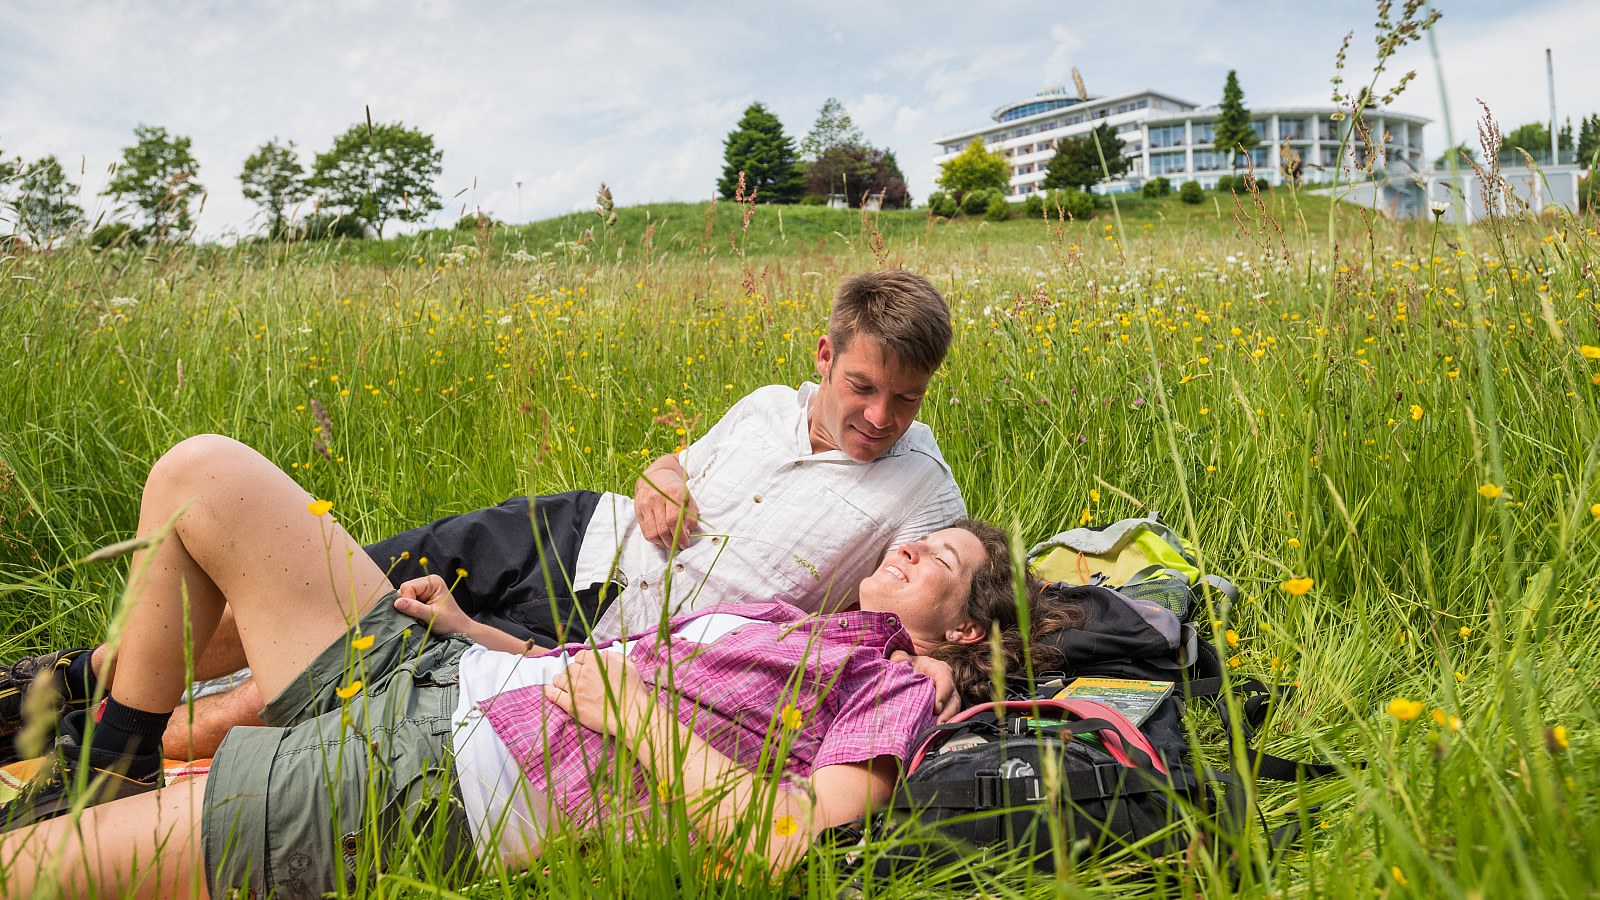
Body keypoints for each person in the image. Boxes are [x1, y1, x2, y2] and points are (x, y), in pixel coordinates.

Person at [0, 435, 1027, 899]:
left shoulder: (896, 691)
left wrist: (637, 716)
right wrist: (466, 629)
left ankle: (101, 773)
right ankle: (112, 761)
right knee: (202, 473)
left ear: (964, 634)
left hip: (434, 780)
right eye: (919, 542)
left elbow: (790, 842)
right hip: (434, 673)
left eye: (937, 560)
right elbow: (581, 663)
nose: (909, 549)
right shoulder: (794, 621)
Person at [0, 270, 968, 760]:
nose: (879, 417)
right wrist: (660, 469)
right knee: (316, 576)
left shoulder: (921, 487)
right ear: (824, 356)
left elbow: (960, 585)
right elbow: (678, 467)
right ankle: (68, 684)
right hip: (569, 532)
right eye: (862, 387)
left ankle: (93, 748)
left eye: (906, 399)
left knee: (341, 655)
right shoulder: (765, 404)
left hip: (602, 635)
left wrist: (938, 666)